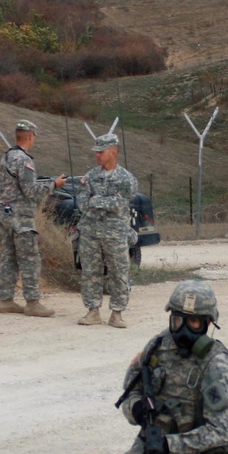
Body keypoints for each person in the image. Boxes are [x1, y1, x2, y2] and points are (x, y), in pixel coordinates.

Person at [86, 280, 228, 454]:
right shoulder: (158, 346)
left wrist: (169, 445)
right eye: (178, 320)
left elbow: (220, 431)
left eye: (193, 322)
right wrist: (137, 410)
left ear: (208, 323)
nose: (183, 330)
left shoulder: (217, 365)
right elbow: (131, 390)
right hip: (152, 439)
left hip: (196, 448)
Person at [0, 119, 67, 317]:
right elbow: (30, 190)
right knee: (30, 258)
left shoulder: (7, 157)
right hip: (21, 216)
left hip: (4, 212)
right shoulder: (24, 160)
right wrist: (54, 185)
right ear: (30, 136)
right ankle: (33, 302)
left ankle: (6, 300)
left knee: (8, 257)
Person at [75, 133, 138, 328]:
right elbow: (83, 203)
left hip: (115, 233)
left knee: (118, 272)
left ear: (113, 152)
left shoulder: (126, 178)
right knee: (90, 272)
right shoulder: (90, 176)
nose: (97, 156)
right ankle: (93, 311)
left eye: (101, 152)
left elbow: (122, 203)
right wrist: (105, 202)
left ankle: (116, 313)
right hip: (91, 233)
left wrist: (97, 201)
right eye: (96, 152)